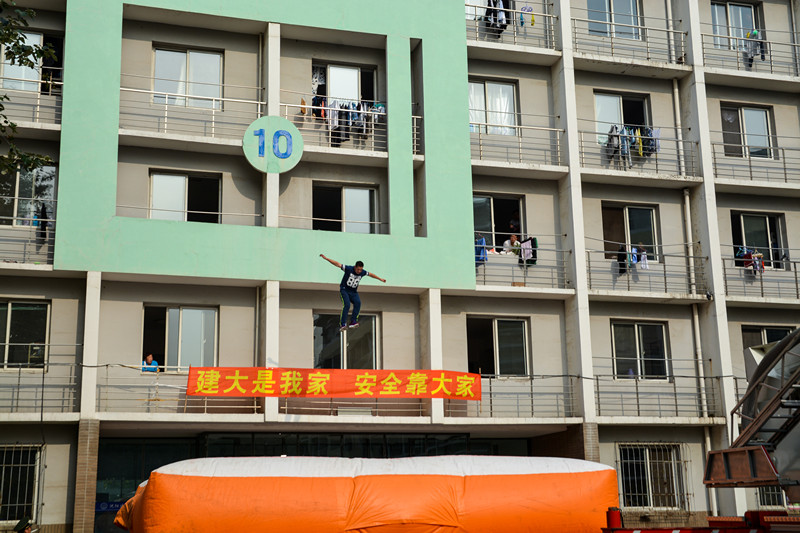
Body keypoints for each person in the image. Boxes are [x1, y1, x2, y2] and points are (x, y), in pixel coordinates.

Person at [320, 254, 386, 331]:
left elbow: (371, 274)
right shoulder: (348, 269)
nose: (359, 271)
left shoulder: (362, 272)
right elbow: (337, 264)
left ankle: (353, 322)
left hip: (354, 292)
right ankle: (343, 324)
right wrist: (327, 258)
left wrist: (380, 279)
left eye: (361, 270)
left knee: (358, 303)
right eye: (358, 269)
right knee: (347, 305)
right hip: (344, 290)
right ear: (355, 267)